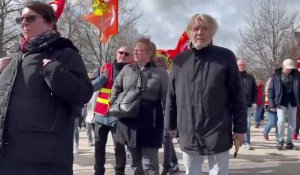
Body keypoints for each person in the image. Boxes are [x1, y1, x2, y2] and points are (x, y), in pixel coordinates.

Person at [0, 1, 93, 175]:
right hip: (8, 157)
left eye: (30, 18)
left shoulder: (65, 52)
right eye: (20, 19)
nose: (24, 22)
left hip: (44, 159)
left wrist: (54, 71)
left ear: (50, 22)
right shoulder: (15, 56)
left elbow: (83, 93)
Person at [165, 13, 247, 175]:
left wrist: (240, 129)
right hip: (188, 131)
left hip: (218, 129)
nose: (200, 32)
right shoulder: (179, 61)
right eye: (195, 28)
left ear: (213, 33)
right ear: (189, 32)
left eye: (205, 28)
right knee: (191, 172)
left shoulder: (225, 57)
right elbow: (172, 96)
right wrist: (170, 124)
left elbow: (237, 96)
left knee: (219, 172)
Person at [111, 37, 169, 175]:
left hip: (151, 122)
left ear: (149, 53)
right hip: (128, 120)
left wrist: (170, 122)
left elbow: (167, 99)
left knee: (149, 164)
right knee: (133, 162)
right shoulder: (127, 69)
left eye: (139, 50)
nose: (135, 53)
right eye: (134, 50)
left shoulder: (160, 73)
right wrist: (116, 106)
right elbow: (116, 88)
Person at [92, 46, 132, 175]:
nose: (123, 55)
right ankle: (98, 172)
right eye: (121, 52)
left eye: (126, 54)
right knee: (99, 147)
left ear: (130, 57)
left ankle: (119, 173)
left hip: (118, 117)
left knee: (119, 148)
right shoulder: (104, 68)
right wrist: (102, 78)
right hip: (101, 116)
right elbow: (91, 87)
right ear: (116, 54)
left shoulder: (133, 71)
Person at [268, 58, 300, 150]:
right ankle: (280, 140)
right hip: (281, 102)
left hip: (293, 102)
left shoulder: (297, 75)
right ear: (283, 66)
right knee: (281, 121)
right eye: (287, 68)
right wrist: (271, 103)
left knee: (292, 123)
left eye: (290, 69)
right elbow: (271, 90)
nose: (289, 70)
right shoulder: (276, 76)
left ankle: (289, 142)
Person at [237, 59, 258, 150]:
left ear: (245, 66)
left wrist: (254, 102)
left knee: (247, 123)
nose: (241, 66)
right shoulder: (232, 76)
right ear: (237, 66)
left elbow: (255, 91)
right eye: (239, 64)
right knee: (233, 124)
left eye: (243, 64)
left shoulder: (250, 77)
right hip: (235, 104)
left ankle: (247, 142)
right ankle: (234, 140)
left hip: (247, 104)